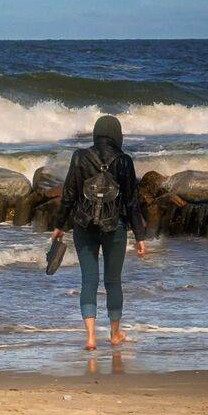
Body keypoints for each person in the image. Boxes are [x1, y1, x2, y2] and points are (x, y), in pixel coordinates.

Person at [51, 114, 148, 350]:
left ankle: (91, 338)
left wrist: (59, 225)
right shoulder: (124, 161)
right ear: (117, 135)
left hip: (84, 226)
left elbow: (69, 195)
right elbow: (132, 202)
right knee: (113, 281)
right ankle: (115, 334)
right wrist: (140, 236)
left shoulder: (80, 157)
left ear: (96, 133)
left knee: (89, 281)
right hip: (115, 228)